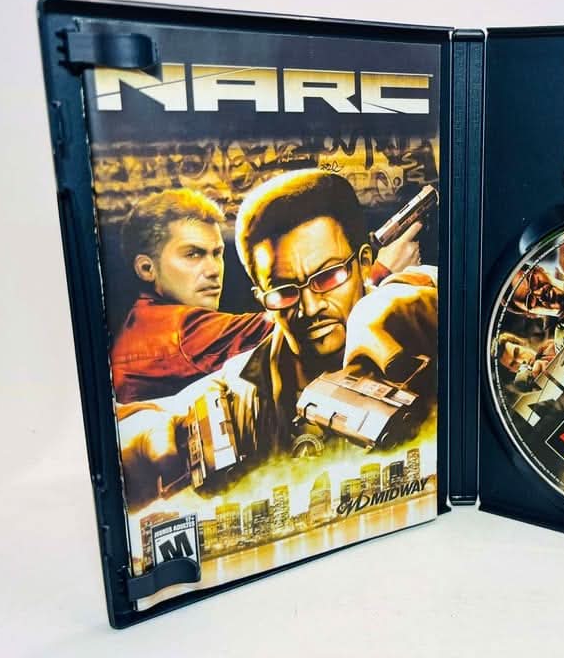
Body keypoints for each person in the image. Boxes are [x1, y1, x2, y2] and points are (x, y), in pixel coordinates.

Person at [117, 170, 437, 509]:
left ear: (364, 262)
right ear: (261, 298)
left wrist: (395, 302)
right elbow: (141, 430)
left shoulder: (404, 311)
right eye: (284, 292)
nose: (310, 307)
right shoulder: (239, 392)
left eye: (329, 276)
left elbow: (428, 294)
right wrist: (145, 443)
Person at [110, 188, 273, 403]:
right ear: (147, 268)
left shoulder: (140, 324)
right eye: (193, 254)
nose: (214, 270)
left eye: (217, 253)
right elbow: (292, 323)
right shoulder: (178, 329)